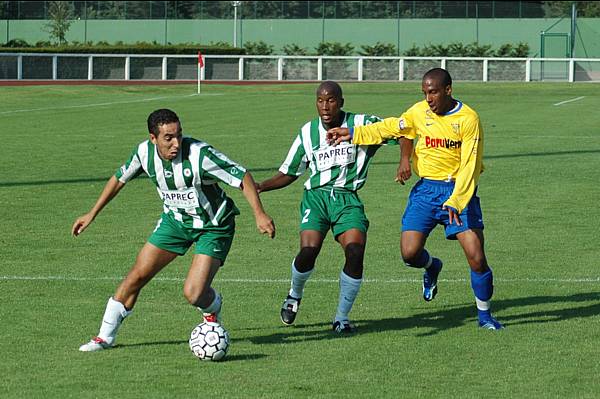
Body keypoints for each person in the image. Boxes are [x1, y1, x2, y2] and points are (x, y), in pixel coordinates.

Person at [74, 108, 276, 352]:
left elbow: (242, 176)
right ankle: (104, 338)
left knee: (193, 293)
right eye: (168, 137)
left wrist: (260, 214)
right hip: (175, 223)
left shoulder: (200, 155)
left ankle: (213, 307)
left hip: (213, 226)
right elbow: (119, 179)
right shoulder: (143, 153)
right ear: (153, 138)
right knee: (136, 276)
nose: (176, 143)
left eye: (179, 135)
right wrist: (91, 213)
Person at [327, 68, 503, 330]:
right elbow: (392, 126)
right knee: (409, 254)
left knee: (476, 256)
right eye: (425, 93)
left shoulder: (468, 119)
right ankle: (432, 267)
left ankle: (485, 316)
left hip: (458, 191)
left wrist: (457, 199)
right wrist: (353, 133)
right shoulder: (420, 112)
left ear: (448, 90)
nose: (428, 98)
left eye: (433, 92)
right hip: (426, 192)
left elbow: (471, 165)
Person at [257, 81, 388, 334]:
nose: (325, 106)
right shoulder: (308, 132)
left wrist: (404, 160)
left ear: (341, 101)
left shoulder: (361, 123)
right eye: (320, 100)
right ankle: (294, 294)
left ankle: (342, 317)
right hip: (316, 198)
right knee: (309, 251)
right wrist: (262, 186)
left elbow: (398, 132)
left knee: (355, 251)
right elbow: (290, 172)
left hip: (347, 198)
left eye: (331, 100)